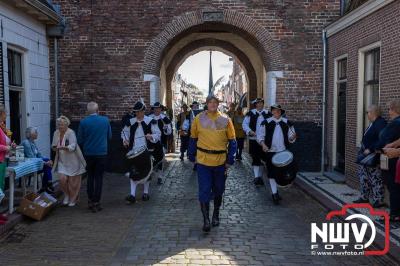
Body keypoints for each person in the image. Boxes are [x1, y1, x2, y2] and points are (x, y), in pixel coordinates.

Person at [188, 95, 237, 232]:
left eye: (215, 102)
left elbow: (232, 141)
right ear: (206, 104)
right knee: (204, 190)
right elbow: (193, 138)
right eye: (210, 102)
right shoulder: (199, 119)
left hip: (220, 161)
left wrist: (230, 160)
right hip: (203, 161)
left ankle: (216, 213)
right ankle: (206, 220)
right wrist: (192, 155)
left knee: (218, 190)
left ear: (218, 104)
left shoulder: (226, 120)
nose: (213, 104)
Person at [121, 100, 162, 203]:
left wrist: (151, 136)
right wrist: (125, 140)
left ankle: (145, 193)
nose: (138, 114)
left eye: (139, 112)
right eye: (136, 112)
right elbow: (124, 133)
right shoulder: (130, 122)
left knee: (147, 172)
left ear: (143, 111)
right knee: (133, 172)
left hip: (147, 151)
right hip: (134, 151)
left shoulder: (150, 121)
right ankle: (132, 195)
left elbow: (158, 134)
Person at [257, 104, 296, 204]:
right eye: (274, 110)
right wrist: (263, 145)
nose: (276, 112)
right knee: (271, 173)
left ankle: (279, 189)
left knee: (283, 172)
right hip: (270, 152)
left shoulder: (287, 123)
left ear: (281, 112)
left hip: (283, 152)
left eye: (278, 111)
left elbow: (291, 138)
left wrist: (292, 138)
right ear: (272, 111)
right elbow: (260, 136)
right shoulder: (265, 122)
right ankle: (274, 194)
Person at [77, 102, 112, 212]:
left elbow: (80, 140)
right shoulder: (105, 120)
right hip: (101, 153)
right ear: (98, 110)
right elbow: (109, 136)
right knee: (99, 177)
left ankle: (90, 200)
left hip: (89, 153)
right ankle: (97, 201)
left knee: (90, 177)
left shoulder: (83, 122)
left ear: (88, 111)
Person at [353, 105, 386, 207]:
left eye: (368, 112)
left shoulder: (380, 123)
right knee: (364, 176)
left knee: (376, 177)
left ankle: (378, 200)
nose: (367, 114)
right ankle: (364, 197)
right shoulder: (373, 123)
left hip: (373, 156)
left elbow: (382, 139)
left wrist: (370, 148)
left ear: (373, 113)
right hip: (366, 156)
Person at [52, 116, 86, 207]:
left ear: (66, 124)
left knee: (73, 182)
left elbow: (73, 146)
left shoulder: (71, 133)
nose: (60, 126)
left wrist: (65, 147)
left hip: (73, 159)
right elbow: (54, 145)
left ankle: (73, 199)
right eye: (59, 125)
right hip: (62, 160)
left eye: (62, 125)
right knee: (62, 178)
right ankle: (66, 194)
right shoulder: (56, 132)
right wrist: (55, 148)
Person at [375, 99, 400, 222]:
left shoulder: (396, 123)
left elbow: (384, 138)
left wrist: (377, 148)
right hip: (393, 158)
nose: (388, 112)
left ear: (395, 109)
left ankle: (394, 214)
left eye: (389, 109)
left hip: (392, 159)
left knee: (393, 186)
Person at [242, 98, 271, 186]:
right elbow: (244, 124)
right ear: (255, 105)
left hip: (264, 141)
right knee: (255, 158)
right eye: (258, 103)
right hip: (254, 139)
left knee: (263, 159)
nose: (260, 105)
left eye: (261, 103)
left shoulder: (268, 113)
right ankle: (256, 177)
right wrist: (250, 131)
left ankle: (260, 177)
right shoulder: (250, 113)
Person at [21, 127, 54, 194]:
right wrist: (45, 163)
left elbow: (39, 155)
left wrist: (47, 161)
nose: (37, 134)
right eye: (36, 132)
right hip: (28, 165)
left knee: (47, 161)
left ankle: (46, 185)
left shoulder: (33, 142)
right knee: (47, 165)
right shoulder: (26, 143)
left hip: (35, 162)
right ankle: (47, 185)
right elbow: (32, 157)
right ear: (30, 134)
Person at [0, 105, 15, 223]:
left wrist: (11, 146)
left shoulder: (1, 127)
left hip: (3, 160)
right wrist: (7, 147)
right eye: (5, 113)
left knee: (1, 186)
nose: (6, 115)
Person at [149, 102, 171, 184]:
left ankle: (160, 176)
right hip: (151, 142)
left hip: (162, 142)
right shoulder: (149, 118)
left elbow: (169, 132)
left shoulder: (164, 118)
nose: (156, 110)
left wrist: (165, 129)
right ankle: (149, 174)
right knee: (151, 159)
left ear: (161, 109)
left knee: (161, 160)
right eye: (155, 108)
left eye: (158, 108)